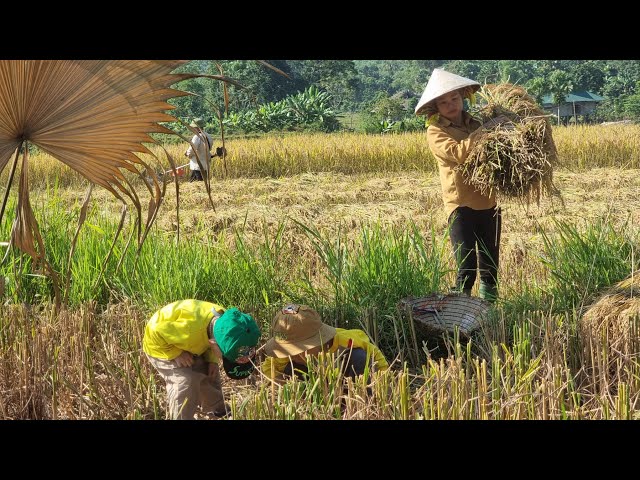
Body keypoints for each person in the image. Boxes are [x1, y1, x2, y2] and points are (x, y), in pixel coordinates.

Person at [415, 68, 507, 302]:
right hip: (461, 204)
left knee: (490, 262)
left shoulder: (475, 122)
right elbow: (458, 153)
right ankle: (459, 312)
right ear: (436, 107)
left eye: (454, 98)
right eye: (444, 102)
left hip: (489, 200)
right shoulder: (436, 131)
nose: (451, 105)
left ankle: (489, 310)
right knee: (466, 267)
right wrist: (486, 131)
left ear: (463, 97)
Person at [143, 299, 261, 420]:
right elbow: (155, 330)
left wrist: (212, 360)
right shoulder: (189, 328)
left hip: (192, 342)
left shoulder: (231, 323)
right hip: (162, 346)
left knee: (210, 372)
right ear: (213, 343)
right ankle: (181, 417)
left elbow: (214, 337)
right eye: (226, 358)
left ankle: (217, 410)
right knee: (185, 381)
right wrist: (176, 353)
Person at [260, 304, 388, 383]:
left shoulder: (347, 343)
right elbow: (268, 368)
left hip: (347, 387)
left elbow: (379, 362)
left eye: (295, 350)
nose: (292, 355)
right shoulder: (286, 357)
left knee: (359, 359)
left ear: (318, 341)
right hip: (310, 392)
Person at [184, 118, 213, 182]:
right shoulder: (208, 136)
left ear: (196, 127)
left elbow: (192, 149)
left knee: (194, 186)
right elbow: (209, 149)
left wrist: (187, 153)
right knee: (203, 184)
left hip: (197, 166)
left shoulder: (197, 137)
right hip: (205, 166)